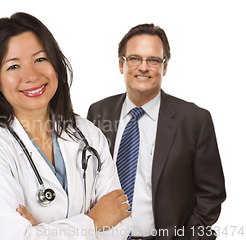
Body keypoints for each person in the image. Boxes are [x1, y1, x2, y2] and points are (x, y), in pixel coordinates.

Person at [0, 12, 131, 239]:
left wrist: (40, 231)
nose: (31, 75)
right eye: (13, 66)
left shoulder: (88, 134)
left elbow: (121, 222)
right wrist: (94, 221)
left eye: (40, 59)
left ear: (56, 65)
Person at [87, 23, 226, 240]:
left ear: (165, 67)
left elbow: (211, 194)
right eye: (134, 58)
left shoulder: (194, 120)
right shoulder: (99, 112)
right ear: (121, 65)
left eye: (153, 60)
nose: (143, 67)